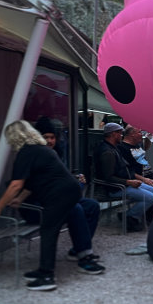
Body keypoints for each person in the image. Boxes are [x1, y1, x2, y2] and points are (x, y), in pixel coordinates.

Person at [0, 120, 82, 291]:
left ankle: (47, 276)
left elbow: (16, 184)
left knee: (48, 231)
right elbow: (31, 183)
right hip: (68, 191)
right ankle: (42, 270)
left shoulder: (27, 152)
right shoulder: (39, 150)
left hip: (61, 194)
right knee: (49, 229)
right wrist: (19, 200)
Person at [16, 117, 104, 274]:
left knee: (92, 206)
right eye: (45, 137)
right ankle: (84, 256)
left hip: (56, 201)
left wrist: (74, 179)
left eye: (52, 137)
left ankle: (78, 249)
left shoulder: (55, 154)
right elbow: (29, 186)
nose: (50, 141)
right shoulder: (32, 155)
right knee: (75, 208)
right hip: (36, 206)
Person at [95, 123, 153, 232]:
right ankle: (128, 216)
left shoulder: (113, 148)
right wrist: (129, 182)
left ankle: (142, 217)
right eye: (119, 133)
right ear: (113, 134)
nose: (122, 135)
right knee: (150, 198)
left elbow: (125, 169)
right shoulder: (107, 152)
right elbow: (108, 178)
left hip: (127, 183)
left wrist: (135, 180)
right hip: (116, 187)